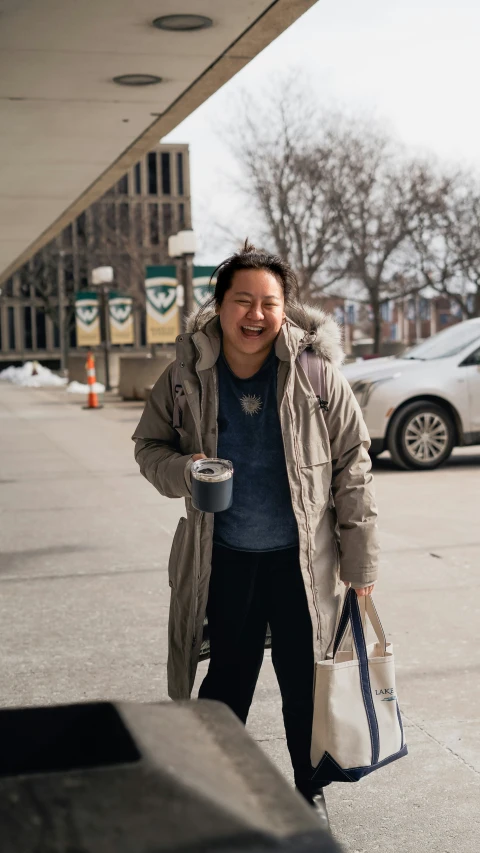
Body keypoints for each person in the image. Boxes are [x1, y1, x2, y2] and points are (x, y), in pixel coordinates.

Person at [132, 242, 379, 823]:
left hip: (301, 560)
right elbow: (149, 446)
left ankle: (307, 789)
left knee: (302, 680)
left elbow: (354, 463)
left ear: (285, 309)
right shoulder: (186, 377)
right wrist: (185, 472)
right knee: (228, 679)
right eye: (242, 300)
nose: (256, 315)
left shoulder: (317, 374)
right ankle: (213, 786)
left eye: (269, 302)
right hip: (225, 557)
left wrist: (361, 565)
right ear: (219, 306)